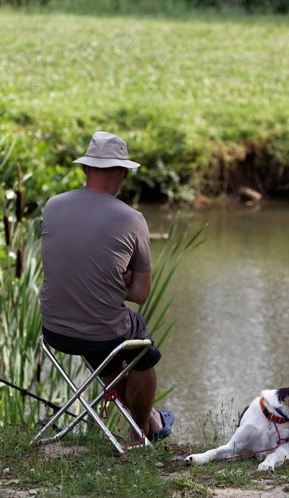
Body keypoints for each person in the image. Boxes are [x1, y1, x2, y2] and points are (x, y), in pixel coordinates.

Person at [39, 131, 174, 443]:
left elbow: (68, 270)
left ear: (86, 169)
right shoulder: (132, 219)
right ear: (122, 172)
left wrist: (103, 281)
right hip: (98, 333)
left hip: (54, 330)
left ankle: (150, 418)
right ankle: (140, 432)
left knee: (106, 334)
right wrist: (117, 282)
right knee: (140, 346)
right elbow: (140, 294)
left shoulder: (52, 206)